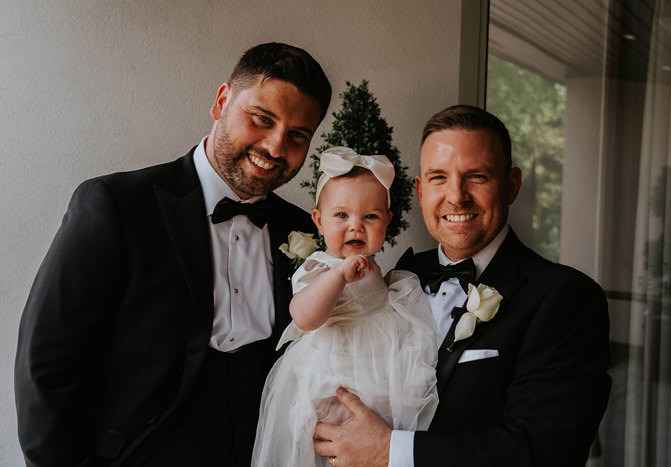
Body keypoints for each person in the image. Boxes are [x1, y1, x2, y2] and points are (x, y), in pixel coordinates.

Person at [15, 42, 331, 466]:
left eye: (297, 135)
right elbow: (46, 368)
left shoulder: (304, 229)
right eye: (261, 119)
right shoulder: (116, 205)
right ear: (222, 101)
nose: (275, 147)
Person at [313, 105, 611, 466]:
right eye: (439, 177)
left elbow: (545, 450)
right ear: (421, 191)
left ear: (512, 185)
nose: (456, 196)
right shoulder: (398, 276)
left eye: (478, 177)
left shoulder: (566, 297)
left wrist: (389, 451)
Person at [252, 147, 439, 467]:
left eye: (370, 216)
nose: (356, 225)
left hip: (380, 380)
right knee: (327, 449)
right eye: (341, 215)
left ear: (387, 222)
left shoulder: (377, 268)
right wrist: (337, 276)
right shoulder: (319, 266)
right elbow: (304, 317)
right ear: (319, 221)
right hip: (333, 380)